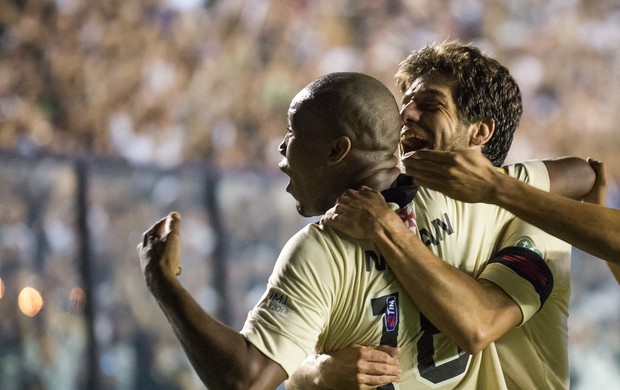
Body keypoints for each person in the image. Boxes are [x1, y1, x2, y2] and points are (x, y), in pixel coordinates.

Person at [138, 72, 523, 389]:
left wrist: (163, 283)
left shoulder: (321, 251)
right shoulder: (468, 198)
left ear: (337, 150)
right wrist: (311, 374)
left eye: (293, 132)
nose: (282, 147)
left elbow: (245, 379)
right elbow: (573, 176)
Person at [286, 41, 595, 389]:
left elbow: (478, 325)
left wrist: (387, 231)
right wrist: (316, 374)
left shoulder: (528, 214)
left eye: (430, 105)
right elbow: (299, 365)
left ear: (480, 132)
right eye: (406, 103)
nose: (406, 115)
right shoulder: (370, 217)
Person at [404, 148, 620, 283]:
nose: (407, 115)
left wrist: (496, 187)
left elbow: (479, 328)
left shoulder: (528, 222)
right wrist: (598, 216)